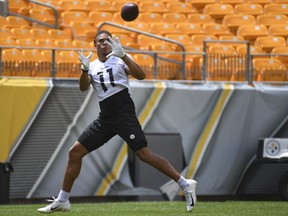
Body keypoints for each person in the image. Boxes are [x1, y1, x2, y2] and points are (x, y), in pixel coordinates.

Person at [37, 30, 197, 213]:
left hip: (123, 114)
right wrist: (84, 70)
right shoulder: (93, 65)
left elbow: (141, 75)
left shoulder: (120, 58)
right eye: (100, 41)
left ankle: (185, 184)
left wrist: (125, 56)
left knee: (143, 153)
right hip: (105, 118)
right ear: (95, 45)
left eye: (107, 40)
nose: (104, 43)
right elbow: (83, 87)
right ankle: (63, 200)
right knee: (74, 153)